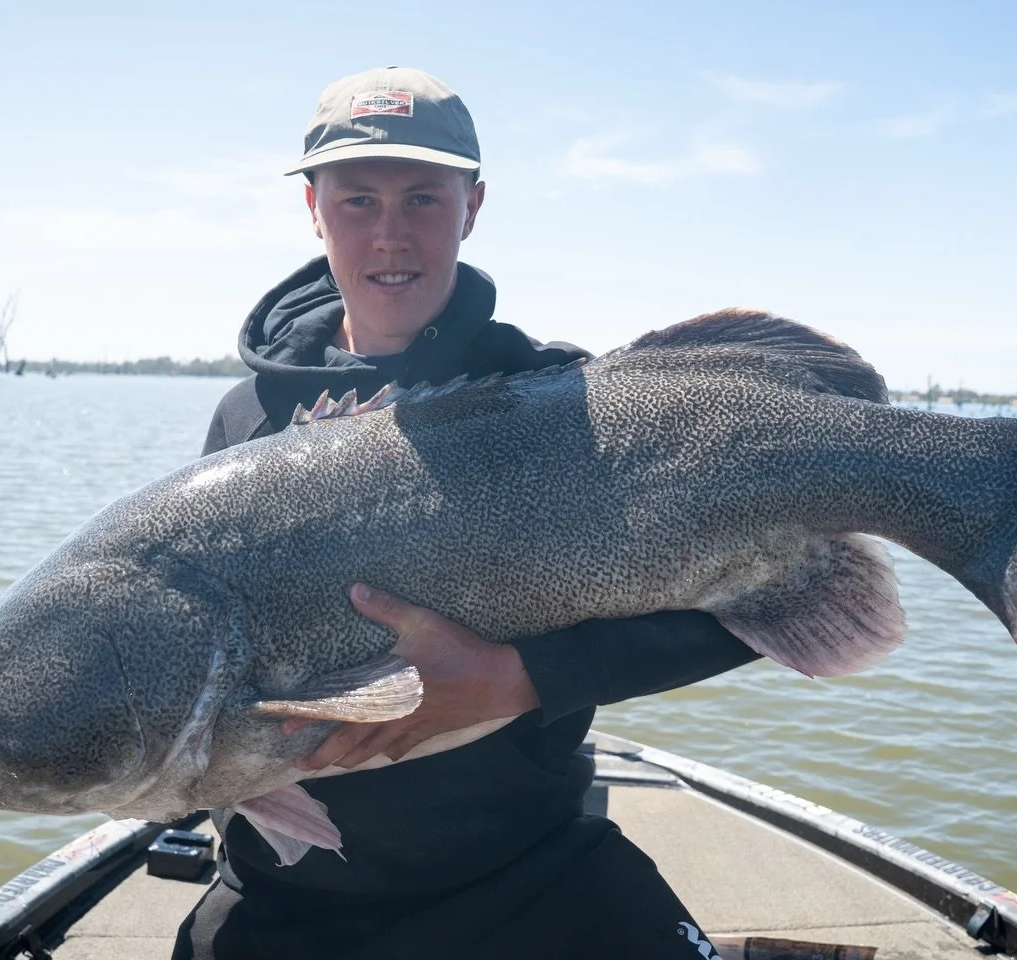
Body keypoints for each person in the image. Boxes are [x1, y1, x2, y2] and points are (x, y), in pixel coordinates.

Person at [173, 66, 759, 960]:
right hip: (293, 891)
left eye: (423, 198)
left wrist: (515, 677)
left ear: (473, 205)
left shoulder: (566, 401)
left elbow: (737, 616)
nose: (391, 234)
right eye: (359, 200)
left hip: (528, 865)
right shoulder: (245, 421)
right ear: (313, 209)